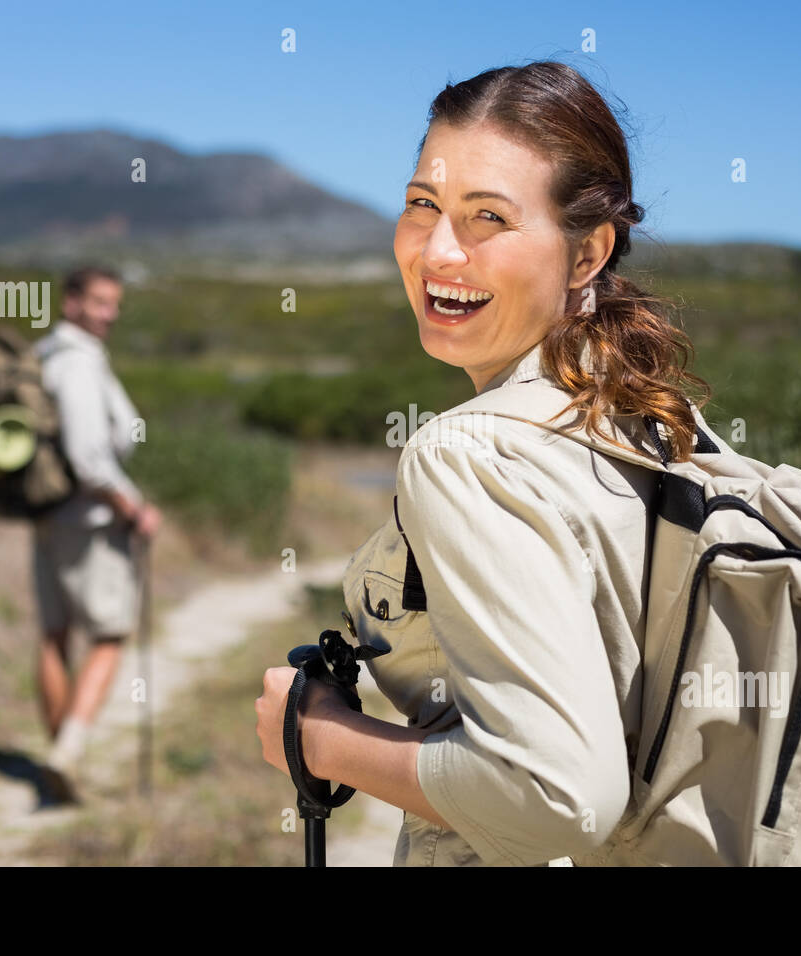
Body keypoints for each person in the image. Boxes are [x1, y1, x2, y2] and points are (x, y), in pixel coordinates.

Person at [254, 61, 710, 865]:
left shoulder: (469, 452)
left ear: (586, 254)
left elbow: (559, 796)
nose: (438, 252)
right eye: (421, 205)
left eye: (488, 218)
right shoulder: (657, 421)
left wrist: (319, 735)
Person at [32, 265, 162, 803]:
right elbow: (90, 457)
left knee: (53, 635)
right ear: (71, 303)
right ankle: (67, 751)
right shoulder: (78, 363)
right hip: (90, 522)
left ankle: (60, 757)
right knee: (109, 635)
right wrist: (132, 506)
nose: (108, 314)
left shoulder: (45, 357)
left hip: (47, 515)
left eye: (114, 305)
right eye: (99, 303)